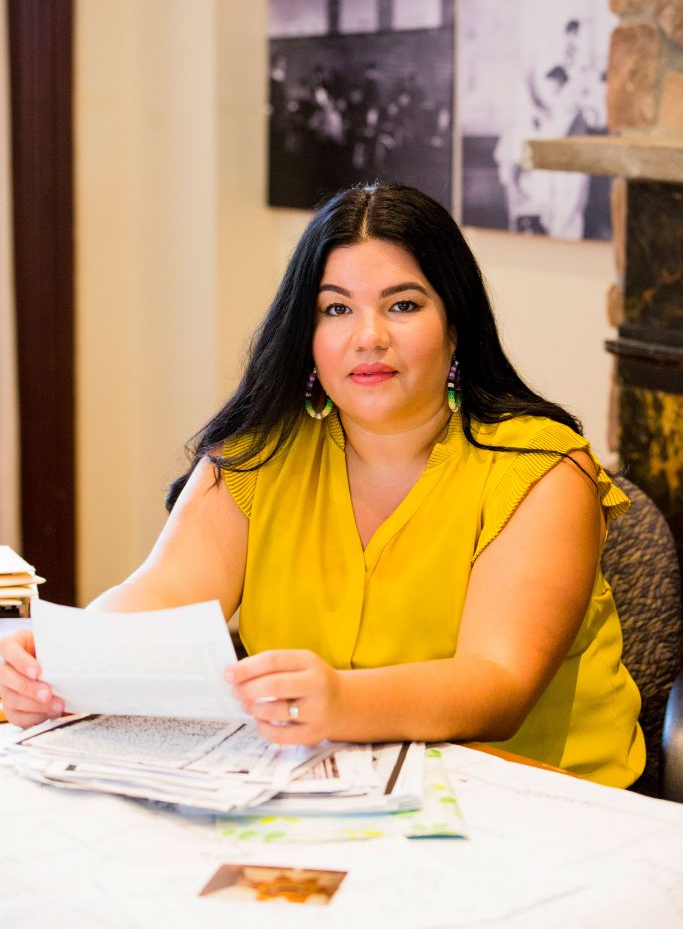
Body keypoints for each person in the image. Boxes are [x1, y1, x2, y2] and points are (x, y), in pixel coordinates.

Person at [0, 184, 645, 788]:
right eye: (336, 309)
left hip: (537, 802)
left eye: (403, 305)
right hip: (326, 792)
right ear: (306, 336)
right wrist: (62, 657)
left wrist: (342, 701)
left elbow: (498, 684)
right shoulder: (258, 453)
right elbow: (162, 592)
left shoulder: (543, 468)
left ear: (455, 326)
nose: (369, 337)